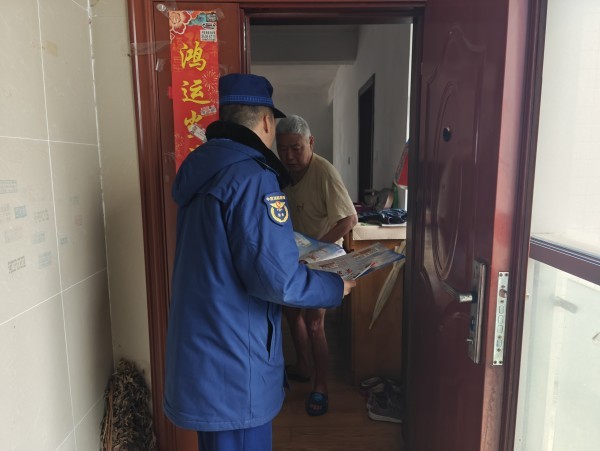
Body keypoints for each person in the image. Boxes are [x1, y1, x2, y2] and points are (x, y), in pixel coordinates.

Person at [163, 74, 356, 451]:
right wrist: (337, 285)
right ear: (266, 122)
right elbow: (278, 280)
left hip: (205, 353)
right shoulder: (252, 177)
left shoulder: (204, 169)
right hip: (235, 361)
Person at [276, 115, 358, 417]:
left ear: (310, 142)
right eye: (283, 149)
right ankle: (303, 366)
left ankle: (321, 386)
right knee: (290, 313)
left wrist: (316, 247)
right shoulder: (282, 175)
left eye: (296, 148)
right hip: (295, 256)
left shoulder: (324, 172)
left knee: (314, 323)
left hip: (323, 257)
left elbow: (349, 219)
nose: (289, 156)